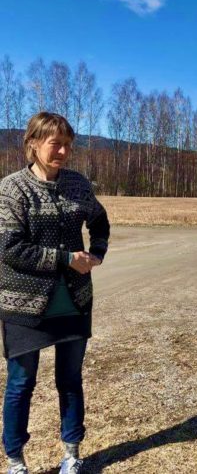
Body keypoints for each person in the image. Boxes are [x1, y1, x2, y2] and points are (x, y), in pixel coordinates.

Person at [0, 112, 110, 474]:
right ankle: (15, 460)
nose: (62, 151)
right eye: (55, 143)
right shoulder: (12, 188)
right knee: (21, 383)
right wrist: (66, 259)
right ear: (33, 143)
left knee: (70, 379)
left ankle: (72, 453)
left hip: (74, 301)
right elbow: (9, 248)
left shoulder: (78, 184)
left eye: (68, 144)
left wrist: (97, 253)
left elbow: (99, 221)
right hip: (24, 304)